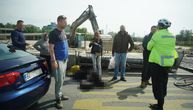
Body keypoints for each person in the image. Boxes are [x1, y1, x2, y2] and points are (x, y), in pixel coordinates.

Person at [147, 19, 176, 110]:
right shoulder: (172, 36)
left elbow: (148, 47)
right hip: (167, 63)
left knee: (156, 84)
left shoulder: (157, 34)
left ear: (160, 26)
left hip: (157, 63)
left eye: (158, 25)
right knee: (163, 83)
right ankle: (160, 103)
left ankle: (160, 106)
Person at [49, 15, 69, 109]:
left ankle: (60, 94)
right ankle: (58, 99)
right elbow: (51, 48)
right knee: (59, 80)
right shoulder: (53, 33)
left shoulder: (63, 31)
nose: (66, 23)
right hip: (58, 60)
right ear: (59, 22)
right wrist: (53, 61)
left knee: (62, 78)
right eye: (65, 22)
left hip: (65, 59)